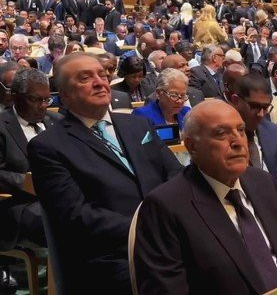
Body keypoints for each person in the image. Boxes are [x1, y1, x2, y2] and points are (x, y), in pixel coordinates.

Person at [28, 52, 183, 294]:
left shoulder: (138, 125)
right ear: (65, 95)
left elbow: (175, 174)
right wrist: (145, 229)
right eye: (85, 78)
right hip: (111, 256)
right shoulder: (48, 146)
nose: (100, 81)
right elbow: (76, 216)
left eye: (102, 74)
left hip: (168, 239)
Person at [133, 100, 277, 294]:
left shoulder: (262, 182)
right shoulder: (165, 206)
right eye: (221, 133)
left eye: (240, 130)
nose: (237, 141)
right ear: (192, 146)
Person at [0, 69, 62, 290]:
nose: (43, 106)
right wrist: (26, 181)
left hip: (62, 195)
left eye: (47, 99)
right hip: (21, 204)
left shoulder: (58, 121)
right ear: (14, 96)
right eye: (35, 99)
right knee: (65, 222)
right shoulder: (2, 126)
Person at [230, 74, 277, 231]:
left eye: (266, 107)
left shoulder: (273, 132)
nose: (261, 114)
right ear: (235, 101)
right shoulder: (221, 140)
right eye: (254, 106)